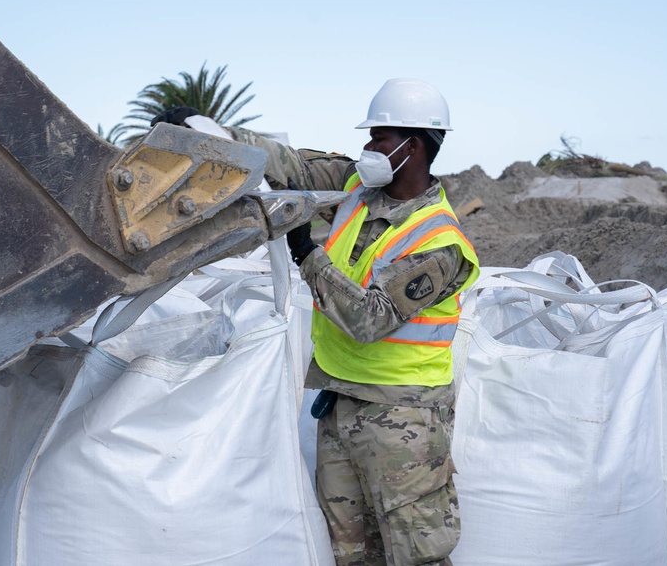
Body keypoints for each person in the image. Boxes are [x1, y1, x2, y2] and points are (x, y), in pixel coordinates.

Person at [153, 79, 480, 566]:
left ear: (412, 147)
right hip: (341, 402)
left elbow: (370, 319)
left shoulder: (441, 241)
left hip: (402, 421)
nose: (368, 147)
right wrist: (209, 133)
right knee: (351, 551)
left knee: (417, 554)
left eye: (380, 139)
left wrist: (307, 252)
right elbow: (286, 163)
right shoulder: (355, 184)